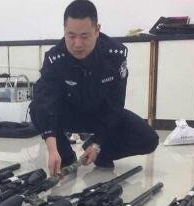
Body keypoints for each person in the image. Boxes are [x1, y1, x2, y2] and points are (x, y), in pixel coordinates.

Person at [30, 0, 159, 176]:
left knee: (149, 139)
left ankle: (101, 153)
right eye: (71, 35)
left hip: (100, 114)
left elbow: (115, 105)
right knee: (36, 108)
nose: (77, 44)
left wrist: (98, 143)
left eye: (85, 36)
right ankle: (65, 155)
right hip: (69, 114)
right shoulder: (55, 59)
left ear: (97, 30)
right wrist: (52, 149)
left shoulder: (114, 56)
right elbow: (45, 103)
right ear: (64, 30)